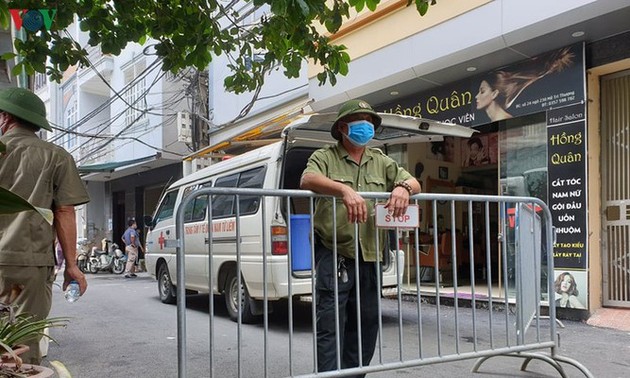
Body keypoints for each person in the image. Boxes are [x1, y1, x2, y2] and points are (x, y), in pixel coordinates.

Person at [300, 99, 421, 374]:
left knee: (366, 323)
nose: (365, 125)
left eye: (369, 120)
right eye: (359, 120)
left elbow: (415, 182)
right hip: (334, 252)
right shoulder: (325, 156)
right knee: (330, 324)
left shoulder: (381, 160)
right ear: (343, 127)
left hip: (371, 253)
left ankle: (356, 374)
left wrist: (403, 188)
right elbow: (307, 179)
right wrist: (343, 190)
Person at [0, 87, 89, 364]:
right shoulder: (56, 156)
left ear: (5, 117)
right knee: (24, 338)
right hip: (31, 262)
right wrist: (72, 265)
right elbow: (64, 210)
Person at [476, 47, 574, 122]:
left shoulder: (508, 121)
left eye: (482, 91)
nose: (476, 96)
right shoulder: (498, 121)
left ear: (494, 93)